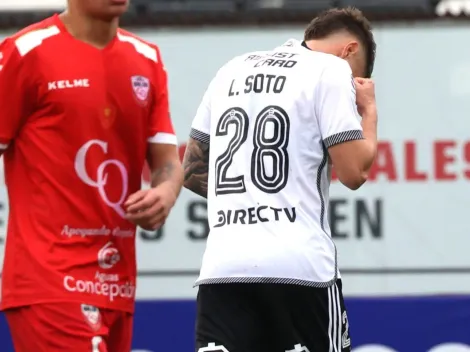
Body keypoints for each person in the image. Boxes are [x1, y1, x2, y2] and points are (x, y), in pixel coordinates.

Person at [183, 7, 377, 352]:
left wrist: (251, 201)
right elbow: (354, 172)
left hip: (224, 267)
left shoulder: (232, 68)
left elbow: (192, 172)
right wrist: (369, 111)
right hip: (300, 270)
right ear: (349, 51)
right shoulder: (331, 70)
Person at [0, 0, 183, 351]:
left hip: (117, 281)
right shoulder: (26, 52)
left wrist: (165, 193)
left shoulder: (146, 57)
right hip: (48, 279)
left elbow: (166, 162)